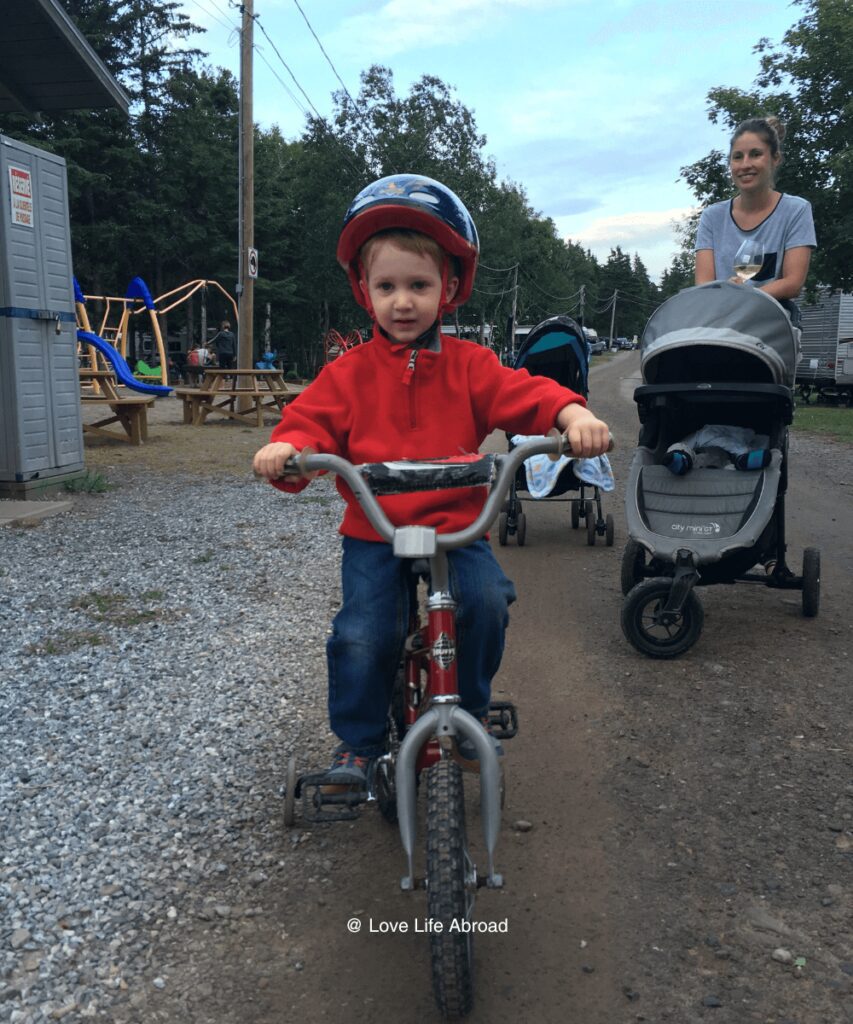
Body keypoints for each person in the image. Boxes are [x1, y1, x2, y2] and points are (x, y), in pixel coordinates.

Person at [253, 174, 610, 786]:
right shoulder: (348, 373)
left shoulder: (473, 365)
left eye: (418, 285)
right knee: (364, 633)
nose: (403, 301)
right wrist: (287, 447)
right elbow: (310, 419)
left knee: (486, 604)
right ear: (364, 292)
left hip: (456, 527)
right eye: (387, 286)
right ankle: (359, 745)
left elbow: (522, 393)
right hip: (375, 530)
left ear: (448, 289)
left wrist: (570, 414)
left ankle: (467, 710)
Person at [694, 116, 816, 312]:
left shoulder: (796, 210)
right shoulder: (712, 216)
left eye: (756, 154)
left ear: (775, 159)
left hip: (769, 324)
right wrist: (727, 296)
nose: (745, 165)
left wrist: (746, 297)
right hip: (718, 320)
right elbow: (704, 284)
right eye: (737, 157)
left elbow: (793, 283)